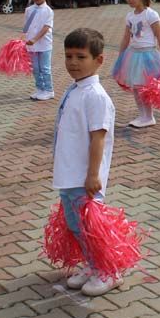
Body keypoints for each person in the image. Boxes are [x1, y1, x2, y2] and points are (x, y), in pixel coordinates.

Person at [54, 27, 119, 296]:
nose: (73, 63)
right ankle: (92, 265)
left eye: (81, 57)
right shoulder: (74, 89)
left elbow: (98, 138)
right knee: (76, 226)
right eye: (68, 56)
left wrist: (93, 175)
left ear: (98, 60)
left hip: (84, 178)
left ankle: (109, 271)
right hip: (69, 174)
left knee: (91, 227)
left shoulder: (96, 96)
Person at [111, 0, 160, 128]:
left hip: (148, 56)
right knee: (136, 88)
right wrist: (121, 55)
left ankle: (149, 116)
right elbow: (126, 37)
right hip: (133, 55)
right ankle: (142, 115)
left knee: (144, 88)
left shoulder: (151, 15)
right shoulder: (130, 16)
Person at [23, 0, 55, 101]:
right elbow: (26, 26)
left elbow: (46, 27)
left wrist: (35, 39)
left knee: (45, 68)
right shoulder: (29, 10)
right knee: (35, 68)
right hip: (31, 44)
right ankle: (40, 88)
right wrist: (24, 39)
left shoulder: (48, 11)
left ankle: (49, 90)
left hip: (44, 44)